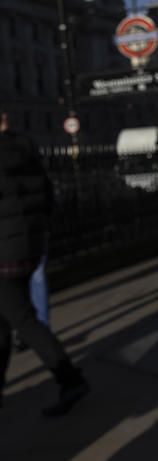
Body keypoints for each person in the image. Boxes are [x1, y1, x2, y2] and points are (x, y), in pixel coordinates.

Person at [0, 107, 89, 415]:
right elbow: (48, 198)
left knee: (23, 319)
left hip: (4, 251)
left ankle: (69, 378)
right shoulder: (26, 151)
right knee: (6, 321)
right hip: (29, 245)